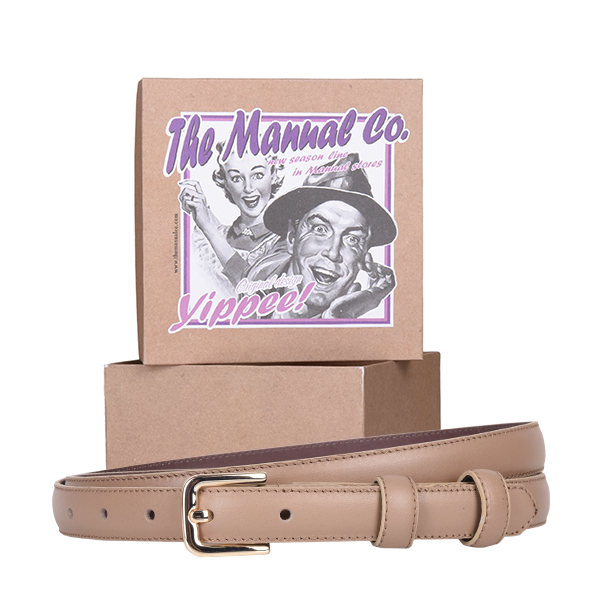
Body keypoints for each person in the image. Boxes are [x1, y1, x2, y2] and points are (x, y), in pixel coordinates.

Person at [246, 154, 397, 319]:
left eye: (352, 239)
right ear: (291, 237)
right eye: (320, 229)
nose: (333, 253)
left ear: (363, 256)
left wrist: (338, 317)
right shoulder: (255, 285)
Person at [178, 142, 284, 296]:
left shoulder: (287, 241)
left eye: (258, 175)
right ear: (225, 183)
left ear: (273, 176)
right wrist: (201, 211)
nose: (248, 188)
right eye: (236, 178)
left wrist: (207, 225)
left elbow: (254, 291)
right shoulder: (206, 238)